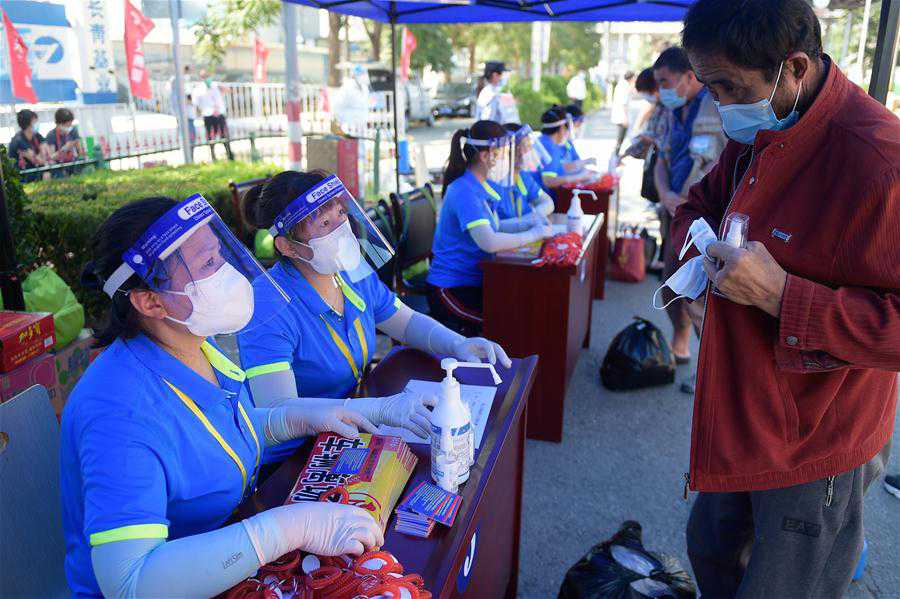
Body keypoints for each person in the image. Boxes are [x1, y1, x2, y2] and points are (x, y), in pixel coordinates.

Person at [671, 0, 899, 596]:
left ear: (794, 68)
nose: (720, 106)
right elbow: (698, 205)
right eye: (710, 87)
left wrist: (784, 297)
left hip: (816, 437)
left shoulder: (880, 163)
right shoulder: (765, 127)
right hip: (738, 410)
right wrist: (693, 261)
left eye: (727, 87)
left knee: (784, 585)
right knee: (713, 553)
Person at [62, 195, 385, 597]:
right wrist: (286, 529)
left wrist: (303, 417)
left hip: (227, 563)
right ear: (149, 301)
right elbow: (131, 583)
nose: (229, 274)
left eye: (220, 256)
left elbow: (210, 438)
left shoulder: (195, 346)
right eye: (208, 266)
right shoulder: (118, 412)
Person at [236, 169, 511, 458]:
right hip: (297, 454)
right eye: (325, 223)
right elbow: (279, 410)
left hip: (353, 423)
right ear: (288, 247)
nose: (341, 230)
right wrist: (378, 409)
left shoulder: (347, 269)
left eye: (341, 214)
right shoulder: (266, 305)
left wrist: (455, 343)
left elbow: (404, 322)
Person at [427, 120, 553, 334]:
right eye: (503, 153)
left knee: (518, 309)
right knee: (501, 324)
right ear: (485, 156)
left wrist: (528, 222)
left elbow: (495, 226)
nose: (506, 159)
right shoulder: (464, 191)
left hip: (473, 282)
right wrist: (534, 233)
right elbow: (490, 242)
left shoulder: (480, 186)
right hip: (449, 290)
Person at [653, 46, 726, 372]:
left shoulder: (720, 108)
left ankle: (713, 370)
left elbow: (718, 163)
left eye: (666, 82)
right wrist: (666, 193)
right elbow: (661, 160)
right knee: (671, 282)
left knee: (700, 294)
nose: (662, 90)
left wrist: (686, 198)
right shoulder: (672, 111)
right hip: (672, 213)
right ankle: (680, 338)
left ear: (690, 77)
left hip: (704, 221)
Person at [624, 68, 669, 271]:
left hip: (670, 173)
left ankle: (664, 259)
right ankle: (661, 257)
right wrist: (627, 152)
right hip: (659, 170)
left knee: (667, 215)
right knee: (662, 214)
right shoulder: (659, 106)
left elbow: (666, 140)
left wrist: (650, 140)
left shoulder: (672, 107)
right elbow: (648, 136)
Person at [497, 123, 554, 221]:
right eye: (526, 146)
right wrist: (526, 223)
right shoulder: (496, 182)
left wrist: (532, 217)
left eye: (530, 145)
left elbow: (548, 203)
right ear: (510, 151)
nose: (530, 150)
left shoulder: (522, 176)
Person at [536, 106, 592, 199]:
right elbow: (548, 181)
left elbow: (557, 168)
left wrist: (580, 167)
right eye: (566, 128)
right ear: (562, 128)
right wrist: (578, 177)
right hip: (542, 198)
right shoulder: (550, 147)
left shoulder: (543, 141)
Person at [192, 68, 234, 160]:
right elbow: (196, 104)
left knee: (224, 135)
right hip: (208, 115)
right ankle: (213, 157)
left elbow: (228, 90)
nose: (207, 78)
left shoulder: (216, 86)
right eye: (204, 77)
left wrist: (220, 87)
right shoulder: (198, 90)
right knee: (211, 137)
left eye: (208, 76)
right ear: (201, 78)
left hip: (220, 114)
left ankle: (229, 155)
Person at [8, 108, 50, 181]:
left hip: (35, 171)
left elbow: (47, 154)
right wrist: (41, 157)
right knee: (47, 174)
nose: (37, 123)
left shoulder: (36, 136)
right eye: (35, 121)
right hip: (23, 176)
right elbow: (37, 160)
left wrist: (42, 156)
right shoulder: (18, 140)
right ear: (29, 123)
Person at [46, 108, 85, 176]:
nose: (70, 126)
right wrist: (65, 148)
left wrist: (81, 152)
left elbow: (80, 151)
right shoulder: (51, 135)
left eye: (70, 123)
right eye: (68, 124)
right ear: (59, 124)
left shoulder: (73, 131)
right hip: (59, 167)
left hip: (73, 163)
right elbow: (52, 157)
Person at [561, 104, 597, 172]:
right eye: (580, 120)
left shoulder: (568, 142)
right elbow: (559, 169)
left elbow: (576, 160)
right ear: (570, 121)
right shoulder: (557, 143)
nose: (581, 124)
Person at [610, 71, 634, 156]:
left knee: (620, 138)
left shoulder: (621, 85)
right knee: (620, 137)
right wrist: (625, 118)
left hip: (619, 115)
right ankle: (615, 156)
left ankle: (616, 155)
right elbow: (624, 104)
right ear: (632, 78)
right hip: (621, 116)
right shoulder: (624, 86)